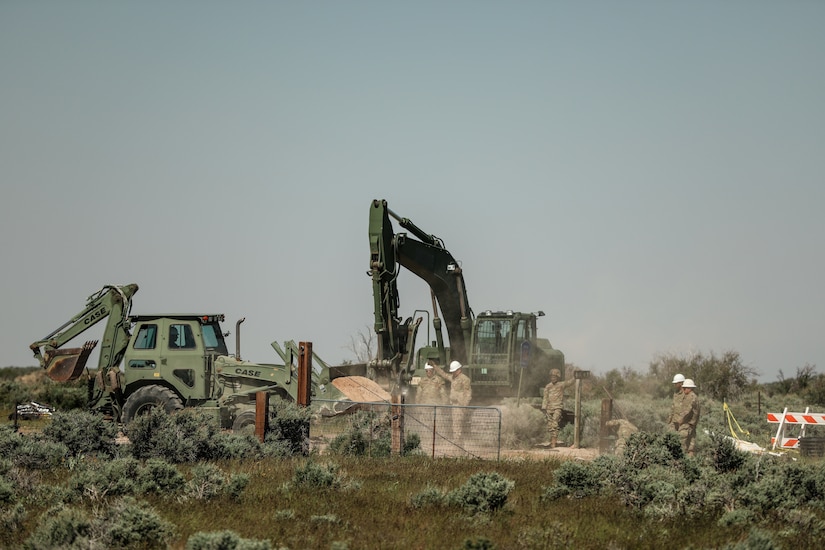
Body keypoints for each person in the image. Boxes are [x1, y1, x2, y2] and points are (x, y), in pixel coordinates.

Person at [435, 360, 472, 439]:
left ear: (459, 370)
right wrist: (435, 366)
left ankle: (458, 442)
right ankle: (457, 441)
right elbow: (443, 374)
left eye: (454, 371)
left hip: (460, 405)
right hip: (454, 405)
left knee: (457, 425)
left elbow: (468, 394)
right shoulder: (453, 378)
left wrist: (464, 406)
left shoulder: (465, 379)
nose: (452, 373)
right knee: (455, 424)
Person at [541, 368, 575, 448]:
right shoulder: (548, 386)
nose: (553, 378)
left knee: (554, 424)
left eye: (555, 377)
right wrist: (544, 407)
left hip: (557, 408)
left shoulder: (561, 385)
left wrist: (575, 377)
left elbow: (570, 383)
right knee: (550, 426)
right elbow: (545, 397)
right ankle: (552, 441)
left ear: (558, 377)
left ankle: (553, 442)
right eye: (552, 377)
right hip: (549, 408)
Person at [675, 378, 700, 456]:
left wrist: (680, 420)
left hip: (686, 424)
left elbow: (687, 411)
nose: (683, 389)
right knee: (691, 447)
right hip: (692, 425)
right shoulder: (695, 397)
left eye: (684, 388)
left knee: (681, 443)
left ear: (689, 388)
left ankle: (681, 462)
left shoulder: (690, 397)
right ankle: (690, 462)